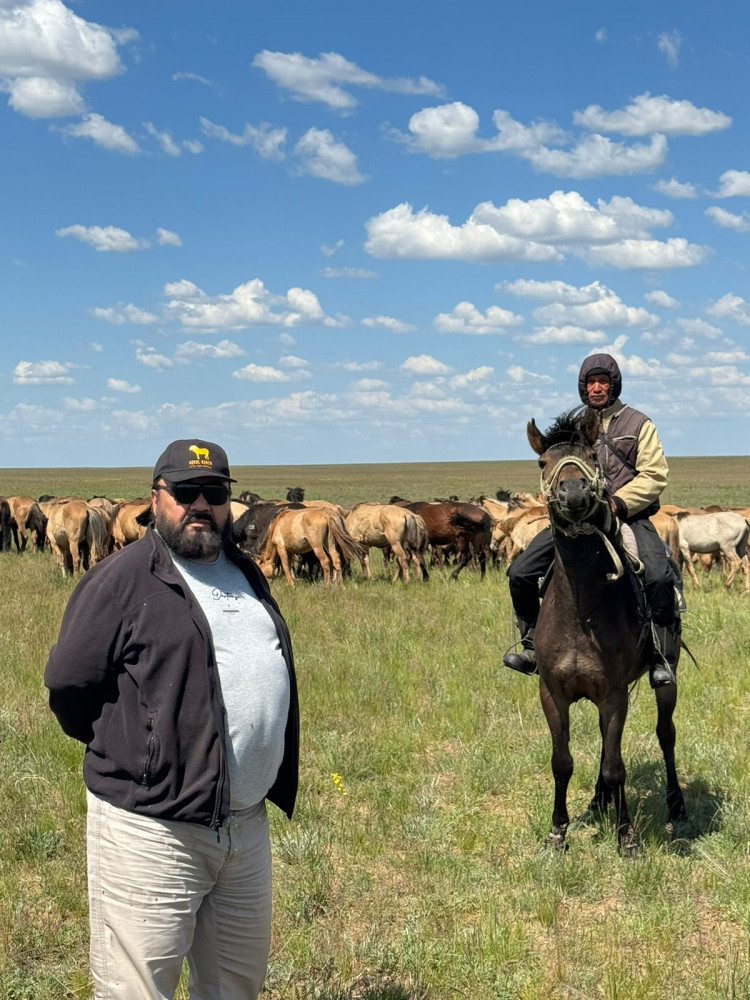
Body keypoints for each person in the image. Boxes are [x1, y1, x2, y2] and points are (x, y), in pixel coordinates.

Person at [45, 439, 299, 1000]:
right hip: (153, 830)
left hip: (245, 827)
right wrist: (142, 754)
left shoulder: (246, 572)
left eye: (213, 493)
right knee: (138, 989)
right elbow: (68, 686)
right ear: (155, 498)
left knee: (235, 987)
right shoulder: (121, 579)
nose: (200, 505)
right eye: (185, 492)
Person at [503, 353, 679, 688]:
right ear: (583, 388)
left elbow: (655, 475)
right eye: (590, 382)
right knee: (520, 572)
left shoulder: (638, 423)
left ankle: (661, 657)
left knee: (657, 575)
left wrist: (620, 501)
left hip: (627, 515)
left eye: (603, 381)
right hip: (576, 520)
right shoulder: (576, 428)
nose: (596, 388)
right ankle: (530, 646)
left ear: (614, 385)